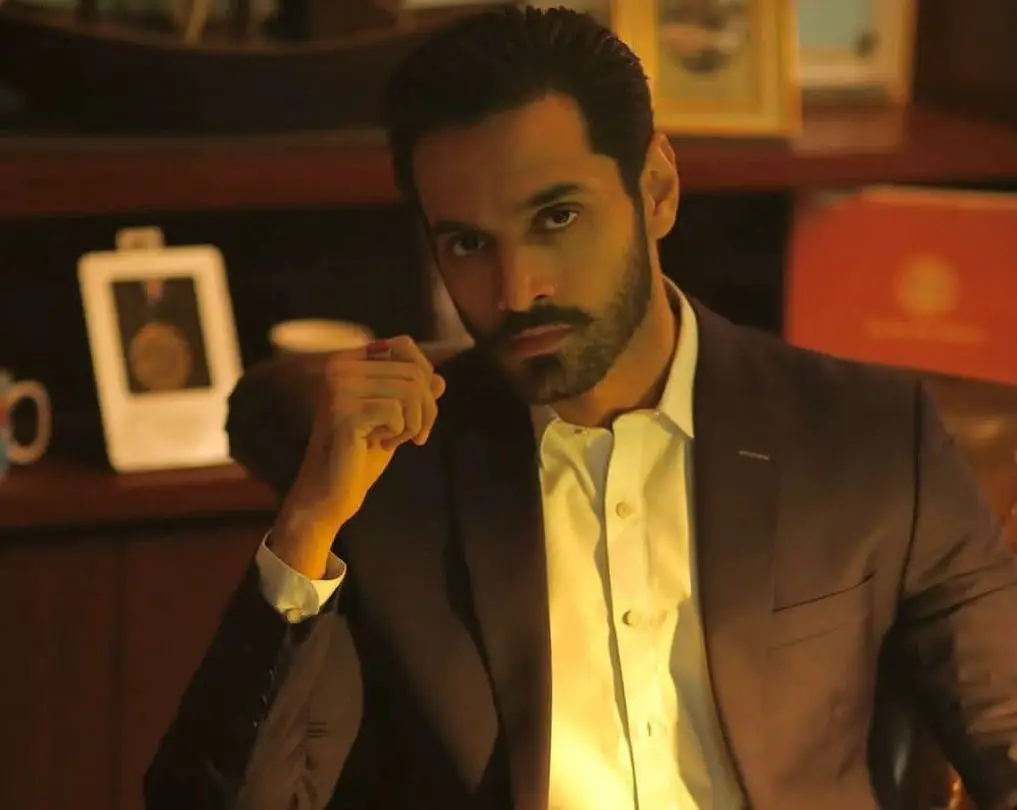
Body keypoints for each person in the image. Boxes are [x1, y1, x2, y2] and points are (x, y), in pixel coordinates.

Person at [144, 7, 1017, 810]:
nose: (517, 288)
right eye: (468, 243)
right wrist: (307, 526)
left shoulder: (868, 437)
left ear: (656, 189)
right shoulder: (397, 477)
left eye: (556, 217)